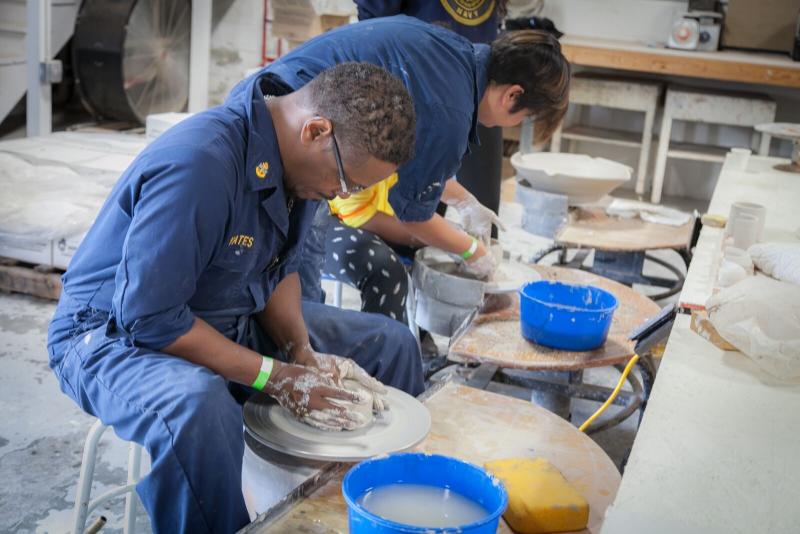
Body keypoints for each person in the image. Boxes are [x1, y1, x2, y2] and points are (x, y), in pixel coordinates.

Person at [47, 62, 421, 533]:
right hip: (110, 334)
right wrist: (276, 377)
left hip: (224, 315)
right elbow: (150, 318)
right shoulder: (201, 162)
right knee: (199, 406)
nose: (340, 194)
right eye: (347, 182)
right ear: (317, 131)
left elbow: (277, 271)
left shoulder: (301, 165)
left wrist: (299, 352)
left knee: (390, 343)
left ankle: (381, 512)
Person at [241, 16, 569, 323]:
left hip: (278, 108)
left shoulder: (454, 57)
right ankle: (283, 369)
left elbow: (421, 166)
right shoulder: (451, 108)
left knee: (292, 275)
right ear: (513, 95)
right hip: (279, 131)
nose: (513, 125)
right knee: (294, 280)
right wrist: (472, 251)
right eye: (522, 118)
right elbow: (413, 215)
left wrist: (464, 201)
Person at [355, 1, 509, 238]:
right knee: (416, 212)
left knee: (482, 217)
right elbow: (375, 12)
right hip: (420, 77)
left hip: (480, 75)